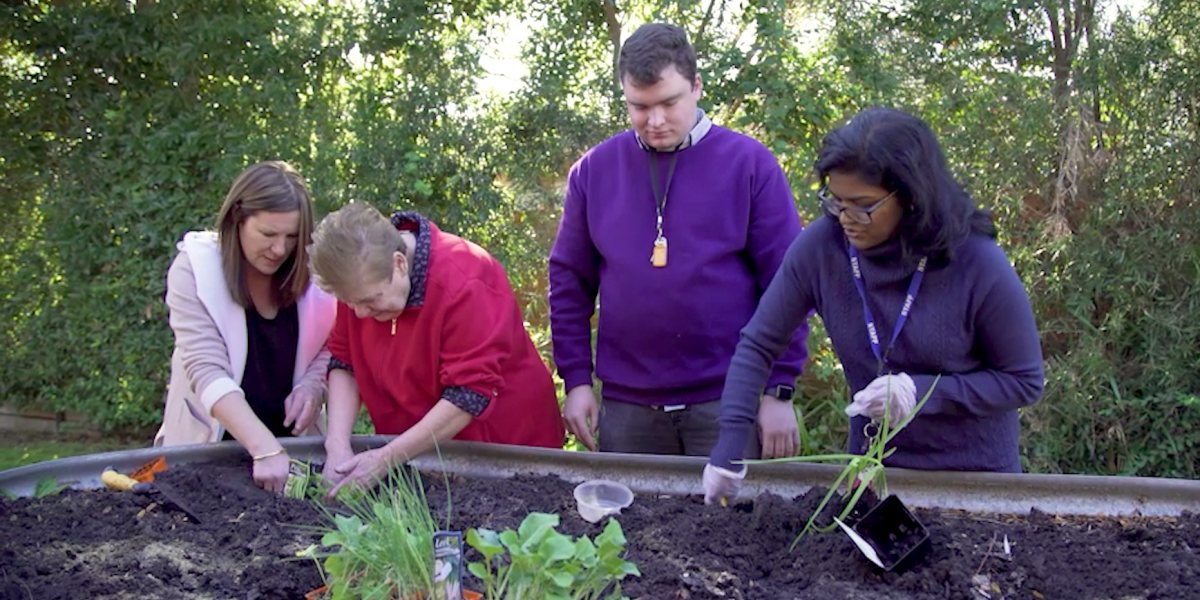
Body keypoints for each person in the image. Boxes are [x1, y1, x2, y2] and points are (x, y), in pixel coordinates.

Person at [703, 107, 1046, 503]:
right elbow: (758, 344)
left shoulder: (976, 262)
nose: (846, 219)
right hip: (872, 475)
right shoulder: (822, 249)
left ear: (911, 198)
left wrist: (918, 393)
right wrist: (729, 447)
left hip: (974, 481)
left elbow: (1023, 381)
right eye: (835, 201)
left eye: (862, 206)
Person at [548, 22, 807, 460]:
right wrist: (575, 381)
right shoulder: (595, 171)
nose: (655, 121)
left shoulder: (749, 164)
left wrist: (778, 390)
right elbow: (569, 282)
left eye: (669, 102)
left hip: (729, 399)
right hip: (628, 408)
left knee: (730, 526)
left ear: (697, 87)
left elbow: (790, 285)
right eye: (639, 106)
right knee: (624, 527)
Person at [309, 203, 566, 495]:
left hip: (502, 447)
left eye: (370, 301)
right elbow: (344, 362)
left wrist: (384, 459)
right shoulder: (358, 281)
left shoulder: (466, 278)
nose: (358, 314)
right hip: (419, 450)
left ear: (399, 263)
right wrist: (338, 446)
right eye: (350, 302)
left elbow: (468, 396)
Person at [155, 161, 336, 494]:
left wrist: (313, 384)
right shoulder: (194, 269)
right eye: (268, 234)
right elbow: (205, 369)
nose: (280, 249)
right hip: (204, 457)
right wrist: (264, 447)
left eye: (292, 237)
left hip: (292, 464)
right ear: (237, 219)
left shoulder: (317, 275)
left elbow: (336, 344)